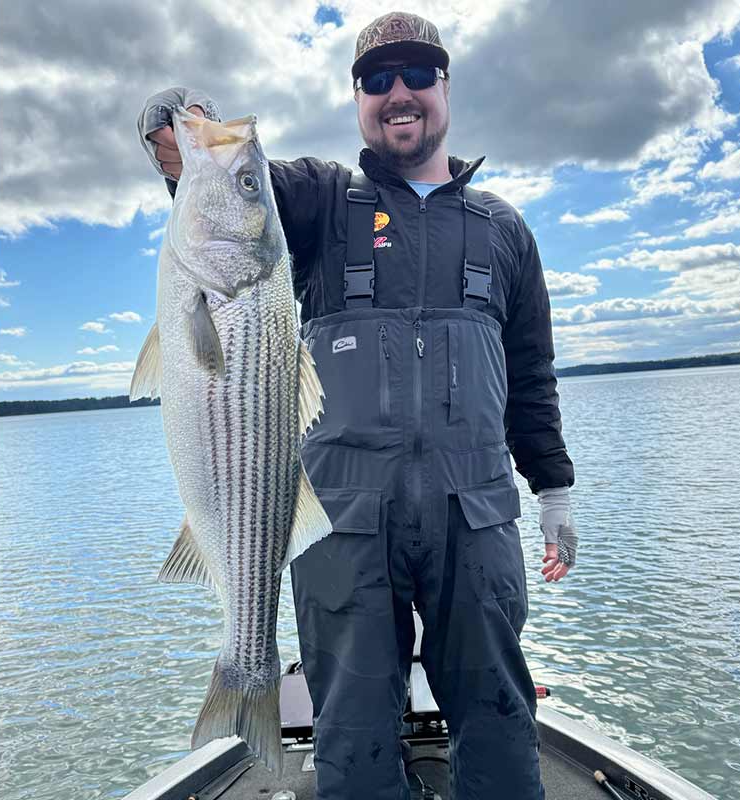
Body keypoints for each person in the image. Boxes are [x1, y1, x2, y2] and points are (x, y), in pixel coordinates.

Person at [137, 11, 577, 800]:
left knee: (500, 714)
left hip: (473, 517)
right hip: (339, 522)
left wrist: (556, 492)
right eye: (378, 80)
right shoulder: (316, 200)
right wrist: (180, 122)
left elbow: (532, 374)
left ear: (444, 88)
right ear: (359, 98)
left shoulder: (506, 231)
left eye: (417, 75)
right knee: (350, 732)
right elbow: (228, 196)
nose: (398, 93)